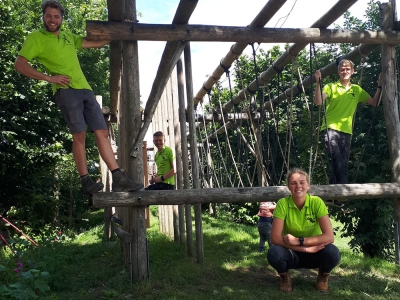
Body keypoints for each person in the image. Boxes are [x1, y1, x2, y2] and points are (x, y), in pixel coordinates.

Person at [14, 0, 143, 195]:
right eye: (48, 15)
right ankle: (86, 181)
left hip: (85, 89)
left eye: (56, 16)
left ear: (61, 19)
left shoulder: (68, 36)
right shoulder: (36, 38)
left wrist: (120, 29)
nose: (52, 20)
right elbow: (20, 64)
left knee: (102, 132)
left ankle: (118, 176)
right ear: (43, 16)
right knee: (79, 134)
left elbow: (98, 43)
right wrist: (49, 78)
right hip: (65, 90)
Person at [314, 59, 382, 207]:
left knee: (341, 164)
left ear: (352, 71)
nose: (344, 71)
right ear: (338, 72)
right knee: (336, 157)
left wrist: (380, 85)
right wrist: (318, 83)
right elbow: (318, 101)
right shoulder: (331, 87)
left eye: (347, 69)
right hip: (330, 128)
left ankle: (333, 196)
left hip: (346, 132)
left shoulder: (356, 90)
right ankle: (343, 191)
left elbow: (375, 102)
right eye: (342, 69)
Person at [267, 168, 341, 293]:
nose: (298, 186)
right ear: (288, 187)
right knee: (274, 253)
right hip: (291, 252)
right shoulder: (282, 203)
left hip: (315, 251)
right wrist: (305, 248)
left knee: (333, 253)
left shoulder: (316, 202)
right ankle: (285, 277)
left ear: (308, 185)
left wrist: (299, 240)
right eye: (293, 183)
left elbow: (329, 237)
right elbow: (275, 238)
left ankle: (323, 276)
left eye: (302, 182)